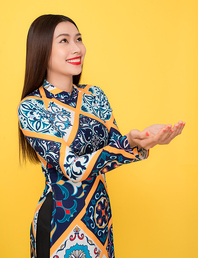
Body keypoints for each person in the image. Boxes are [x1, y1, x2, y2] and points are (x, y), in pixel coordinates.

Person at [18, 14, 185, 258]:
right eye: (64, 41)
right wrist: (129, 148)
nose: (77, 48)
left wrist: (139, 140)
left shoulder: (95, 96)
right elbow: (73, 168)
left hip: (99, 217)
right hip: (60, 222)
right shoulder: (32, 107)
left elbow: (115, 143)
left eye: (79, 39)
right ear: (42, 49)